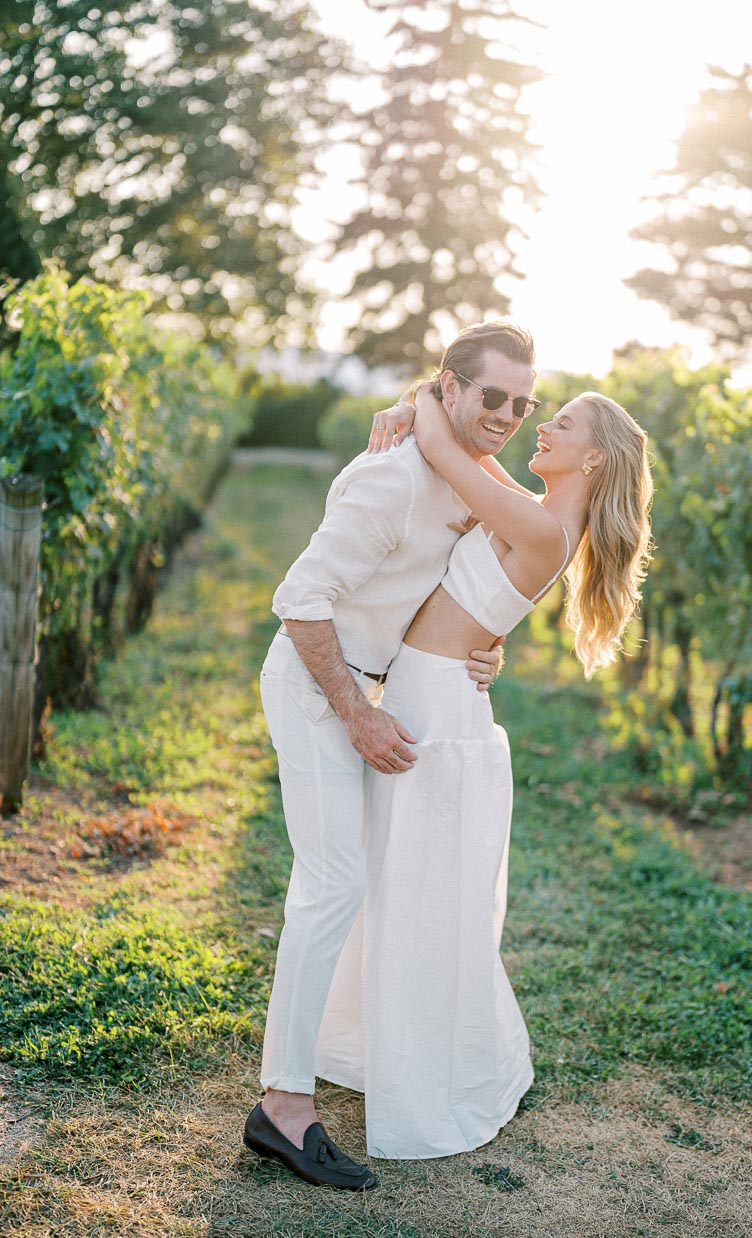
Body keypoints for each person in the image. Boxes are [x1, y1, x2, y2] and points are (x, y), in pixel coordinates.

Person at [312, 379, 654, 1160]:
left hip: (439, 719)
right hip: (433, 700)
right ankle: (375, 1045)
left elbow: (442, 445)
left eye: (558, 424)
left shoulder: (540, 527)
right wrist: (415, 402)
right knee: (400, 886)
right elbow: (460, 449)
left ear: (592, 457)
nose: (540, 430)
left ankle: (431, 1067)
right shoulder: (534, 513)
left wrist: (419, 400)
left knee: (423, 900)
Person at [243, 322, 538, 1190]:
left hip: (368, 690)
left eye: (523, 404)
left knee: (355, 882)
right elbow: (299, 599)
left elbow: (462, 590)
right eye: (492, 396)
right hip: (313, 685)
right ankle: (283, 1111)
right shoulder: (390, 474)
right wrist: (353, 711)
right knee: (333, 883)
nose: (508, 415)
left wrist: (489, 649)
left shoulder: (465, 473)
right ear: (450, 387)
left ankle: (333, 1054)